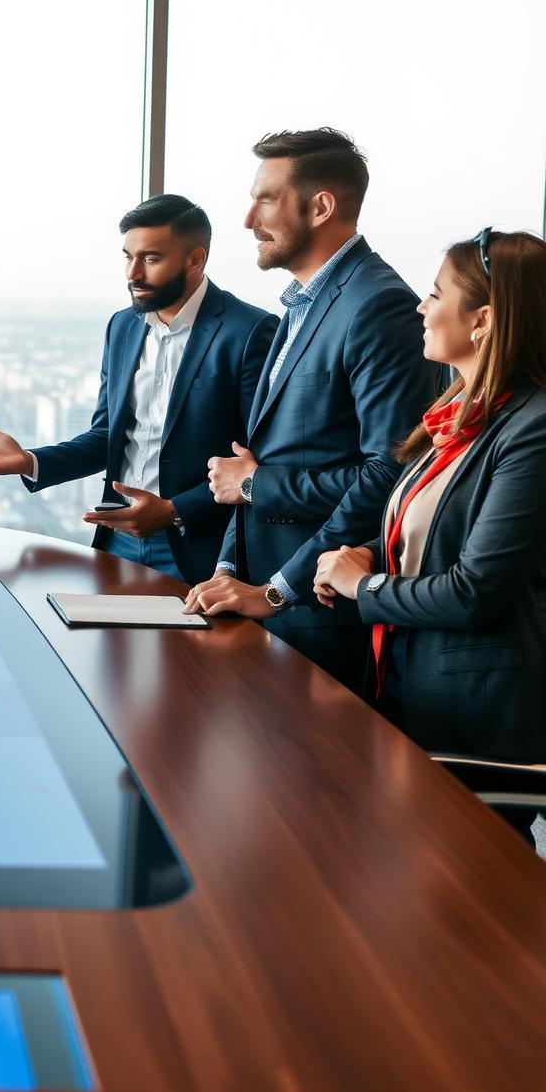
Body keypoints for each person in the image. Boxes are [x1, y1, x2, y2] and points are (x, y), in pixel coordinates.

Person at [312, 230, 546, 826]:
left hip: (481, 713)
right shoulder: (462, 414)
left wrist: (359, 588)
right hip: (413, 676)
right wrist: (362, 557)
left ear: (484, 320)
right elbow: (424, 534)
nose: (421, 306)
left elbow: (475, 592)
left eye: (436, 293)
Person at [184, 129, 439, 690]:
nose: (248, 219)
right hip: (260, 600)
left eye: (265, 199)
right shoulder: (303, 303)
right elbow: (252, 462)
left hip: (320, 617)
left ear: (321, 206)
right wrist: (230, 567)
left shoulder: (377, 306)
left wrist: (277, 587)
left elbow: (390, 475)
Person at [0, 194, 278, 582]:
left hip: (202, 549)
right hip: (118, 540)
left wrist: (174, 510)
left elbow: (259, 460)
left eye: (150, 259)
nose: (133, 273)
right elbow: (107, 436)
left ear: (195, 260)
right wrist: (31, 461)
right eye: (127, 257)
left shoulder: (249, 331)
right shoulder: (122, 327)